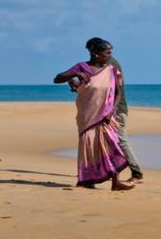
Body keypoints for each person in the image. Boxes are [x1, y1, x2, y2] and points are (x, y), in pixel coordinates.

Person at [53, 38, 135, 191]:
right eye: (107, 53)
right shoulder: (82, 67)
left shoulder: (111, 70)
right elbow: (57, 79)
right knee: (90, 147)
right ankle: (88, 180)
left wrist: (111, 111)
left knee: (111, 145)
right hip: (87, 116)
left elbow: (117, 94)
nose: (110, 56)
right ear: (96, 54)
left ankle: (116, 182)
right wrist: (75, 74)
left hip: (106, 116)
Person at [90, 38, 144, 182]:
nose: (90, 54)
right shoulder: (101, 64)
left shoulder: (109, 64)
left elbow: (112, 89)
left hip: (116, 109)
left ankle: (137, 173)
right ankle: (105, 171)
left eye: (91, 50)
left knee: (121, 140)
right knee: (103, 141)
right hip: (105, 110)